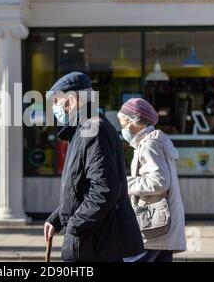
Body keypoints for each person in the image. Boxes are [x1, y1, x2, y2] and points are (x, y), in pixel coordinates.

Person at [44, 72, 144, 262]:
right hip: (93, 243)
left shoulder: (93, 131)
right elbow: (79, 188)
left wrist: (73, 224)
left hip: (98, 245)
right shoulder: (83, 130)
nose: (55, 108)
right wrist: (57, 218)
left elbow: (104, 190)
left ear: (72, 101)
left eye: (57, 102)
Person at [118, 98, 186, 262]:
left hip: (155, 226)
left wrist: (124, 183)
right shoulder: (152, 142)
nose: (123, 130)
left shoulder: (149, 144)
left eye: (123, 124)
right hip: (160, 226)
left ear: (135, 122)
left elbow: (159, 181)